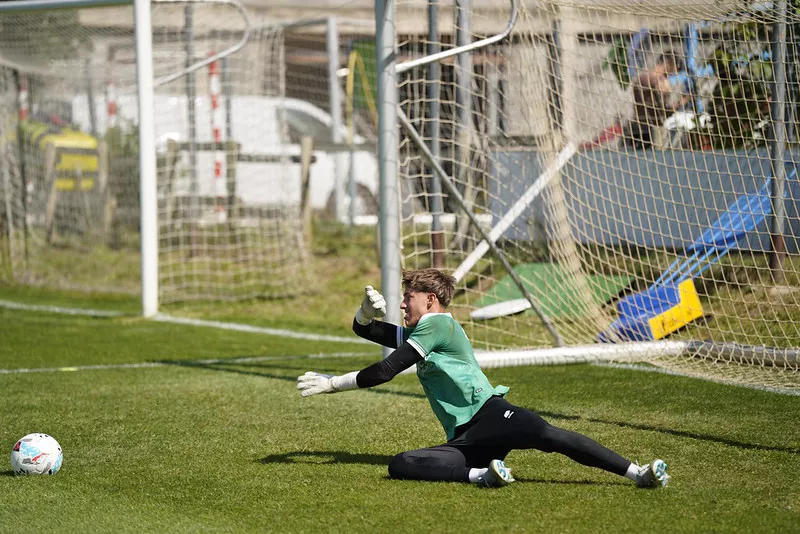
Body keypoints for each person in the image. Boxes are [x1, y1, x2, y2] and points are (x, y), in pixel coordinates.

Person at [296, 268, 670, 488]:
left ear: (430, 300)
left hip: (491, 414)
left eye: (408, 296)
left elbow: (386, 370)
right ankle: (482, 475)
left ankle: (638, 472)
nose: (402, 303)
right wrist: (364, 312)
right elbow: (366, 332)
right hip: (464, 437)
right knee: (400, 464)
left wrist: (333, 383)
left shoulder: (437, 324)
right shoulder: (422, 332)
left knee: (547, 435)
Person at [627, 53, 688, 149]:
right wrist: (682, 102)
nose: (674, 74)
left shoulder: (640, 78)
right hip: (653, 133)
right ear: (671, 64)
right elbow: (664, 110)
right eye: (676, 70)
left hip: (636, 128)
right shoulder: (661, 81)